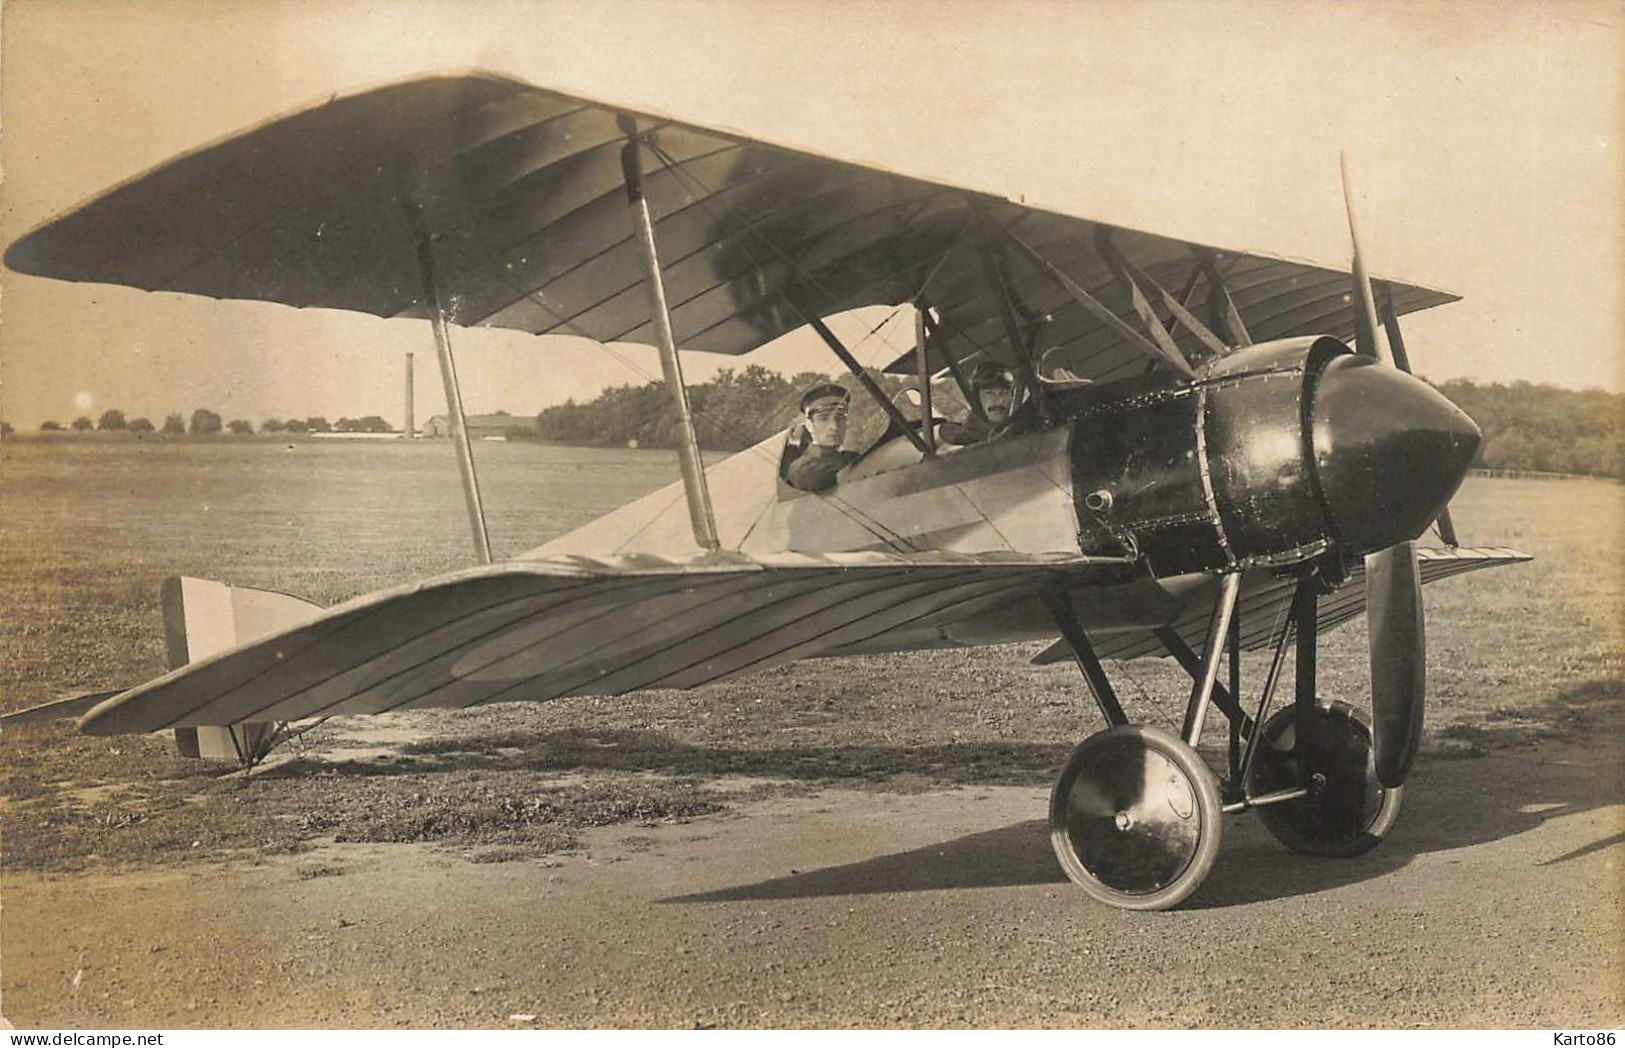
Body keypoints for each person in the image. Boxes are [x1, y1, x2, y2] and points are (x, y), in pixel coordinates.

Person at [783, 382, 860, 492]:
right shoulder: (802, 469)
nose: (834, 426)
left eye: (840, 417)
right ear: (809, 425)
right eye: (823, 418)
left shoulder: (851, 457)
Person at [939, 362, 1036, 445]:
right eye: (989, 393)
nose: (998, 400)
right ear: (978, 399)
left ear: (1012, 396)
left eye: (1004, 393)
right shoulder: (969, 436)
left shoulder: (1027, 425)